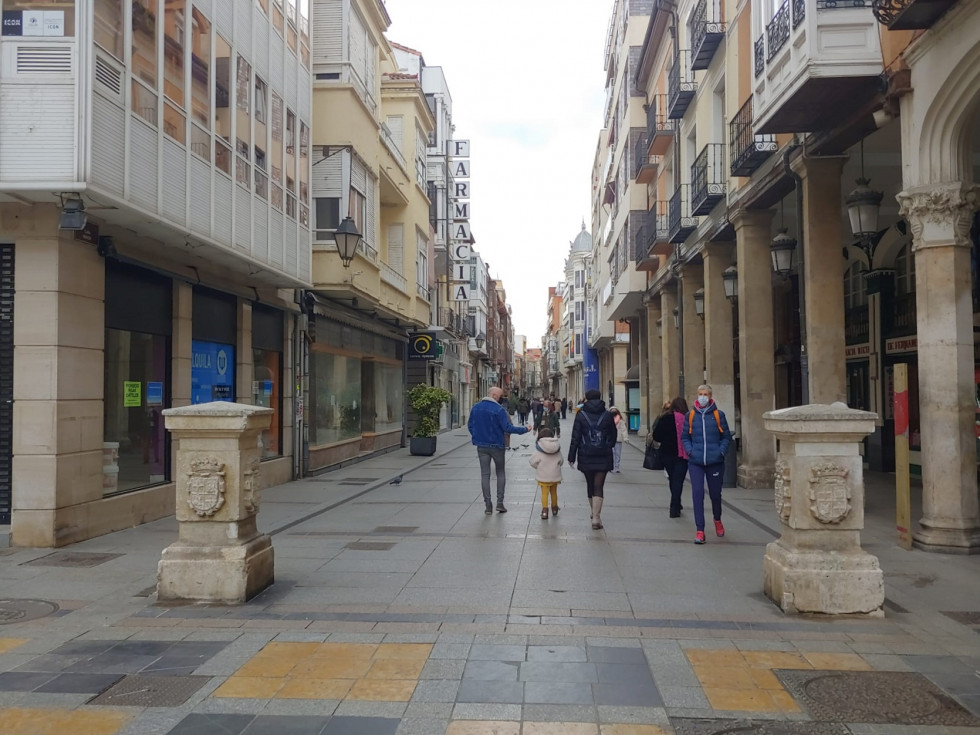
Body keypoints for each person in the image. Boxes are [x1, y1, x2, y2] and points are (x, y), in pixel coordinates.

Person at [680, 384, 733, 544]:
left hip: (715, 461)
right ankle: (700, 530)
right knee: (697, 494)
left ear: (710, 396)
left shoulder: (718, 415)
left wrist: (720, 451)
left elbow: (726, 437)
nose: (702, 396)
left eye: (705, 394)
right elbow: (684, 437)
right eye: (700, 394)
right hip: (696, 461)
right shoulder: (690, 416)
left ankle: (717, 519)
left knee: (715, 495)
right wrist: (690, 450)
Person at [467, 386, 530, 514]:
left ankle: (488, 506)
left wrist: (477, 436)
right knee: (500, 473)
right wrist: (525, 429)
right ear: (495, 396)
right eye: (501, 396)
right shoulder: (499, 410)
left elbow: (470, 425)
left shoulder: (476, 408)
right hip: (497, 446)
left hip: (482, 446)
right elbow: (508, 428)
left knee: (485, 475)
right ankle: (500, 503)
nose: (502, 398)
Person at [568, 388, 618, 530]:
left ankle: (593, 511)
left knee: (590, 484)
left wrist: (572, 456)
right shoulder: (608, 415)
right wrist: (608, 445)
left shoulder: (581, 415)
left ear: (587, 399)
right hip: (604, 455)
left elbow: (575, 437)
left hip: (586, 454)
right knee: (599, 485)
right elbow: (613, 434)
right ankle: (596, 517)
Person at [652, 396, 689, 518]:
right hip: (682, 455)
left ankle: (676, 503)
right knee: (678, 480)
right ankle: (675, 506)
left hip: (666, 454)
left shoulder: (665, 418)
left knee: (673, 479)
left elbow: (656, 436)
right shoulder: (687, 419)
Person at [529, 427, 563, 520]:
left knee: (544, 493)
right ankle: (555, 508)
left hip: (543, 475)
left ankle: (544, 511)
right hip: (555, 476)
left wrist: (539, 467)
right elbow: (561, 461)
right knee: (554, 492)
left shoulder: (539, 448)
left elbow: (532, 461)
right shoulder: (557, 447)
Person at [608, 406, 627, 472]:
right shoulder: (608, 420)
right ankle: (612, 466)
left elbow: (623, 430)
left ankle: (617, 466)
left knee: (618, 453)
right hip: (611, 439)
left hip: (618, 439)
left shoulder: (621, 421)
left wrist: (625, 438)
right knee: (612, 453)